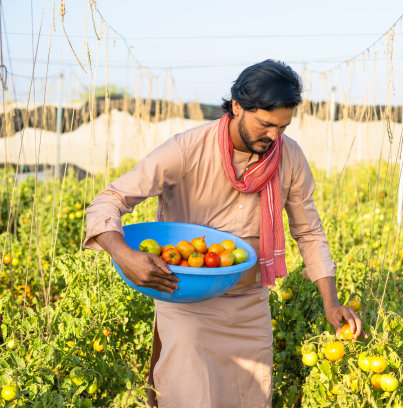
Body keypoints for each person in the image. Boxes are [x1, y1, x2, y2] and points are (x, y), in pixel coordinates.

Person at [83, 59, 365, 408]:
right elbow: (108, 201)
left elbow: (309, 232)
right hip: (187, 304)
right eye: (265, 124)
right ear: (236, 106)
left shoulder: (289, 157)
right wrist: (124, 255)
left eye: (283, 126)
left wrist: (331, 303)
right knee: (190, 397)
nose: (274, 136)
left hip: (248, 308)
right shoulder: (187, 149)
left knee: (249, 398)